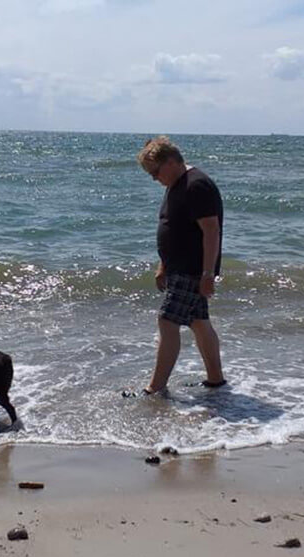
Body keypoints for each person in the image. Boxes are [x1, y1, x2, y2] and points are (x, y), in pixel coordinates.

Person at [136, 136, 226, 394]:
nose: (154, 178)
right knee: (198, 321)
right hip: (179, 267)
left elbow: (211, 230)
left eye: (155, 172)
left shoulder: (196, 185)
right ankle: (216, 380)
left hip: (192, 269)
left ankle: (155, 389)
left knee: (167, 321)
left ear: (171, 161)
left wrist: (207, 273)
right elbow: (174, 227)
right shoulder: (176, 184)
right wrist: (163, 265)